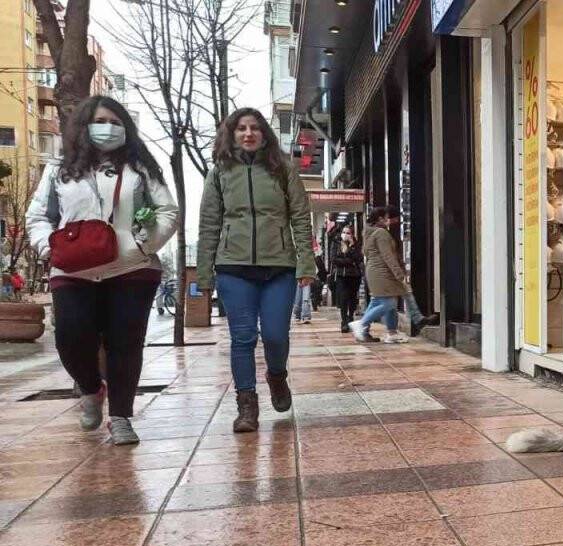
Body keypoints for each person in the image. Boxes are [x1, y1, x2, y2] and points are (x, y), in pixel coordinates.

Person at [25, 95, 179, 445]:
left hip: (132, 268)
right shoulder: (58, 170)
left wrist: (143, 245)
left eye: (115, 121)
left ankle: (121, 416)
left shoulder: (140, 168)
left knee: (125, 343)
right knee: (70, 336)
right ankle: (92, 389)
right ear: (83, 125)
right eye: (100, 121)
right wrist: (49, 248)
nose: (107, 128)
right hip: (73, 269)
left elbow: (168, 211)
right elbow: (38, 217)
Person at [197, 107, 316, 433]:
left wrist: (306, 262)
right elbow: (209, 224)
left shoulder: (283, 169)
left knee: (276, 335)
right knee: (242, 338)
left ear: (264, 134)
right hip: (233, 268)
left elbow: (301, 218)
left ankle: (277, 376)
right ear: (231, 134)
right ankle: (246, 405)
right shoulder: (220, 172)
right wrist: (205, 275)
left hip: (278, 266)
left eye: (254, 128)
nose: (248, 133)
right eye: (241, 129)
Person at [350, 207, 410, 343]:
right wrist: (399, 274)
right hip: (382, 272)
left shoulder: (368, 232)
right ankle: (361, 324)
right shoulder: (381, 233)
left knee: (378, 301)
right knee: (389, 302)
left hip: (374, 271)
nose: (388, 220)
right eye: (386, 217)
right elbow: (388, 256)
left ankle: (390, 333)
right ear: (380, 219)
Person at [330, 223, 363, 332]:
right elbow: (334, 259)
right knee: (343, 299)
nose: (345, 235)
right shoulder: (336, 243)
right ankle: (344, 321)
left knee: (352, 298)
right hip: (341, 275)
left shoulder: (356, 244)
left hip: (354, 276)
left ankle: (351, 317)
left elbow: (358, 259)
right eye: (344, 232)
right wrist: (349, 261)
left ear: (352, 235)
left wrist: (351, 247)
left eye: (348, 233)